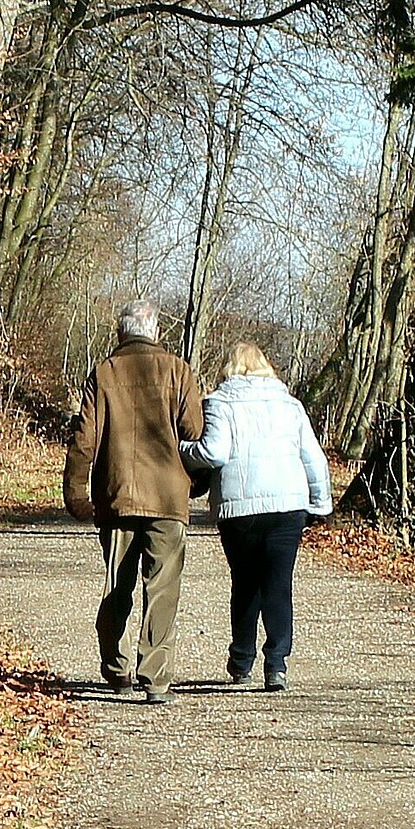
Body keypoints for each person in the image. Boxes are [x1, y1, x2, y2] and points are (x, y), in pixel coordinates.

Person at [63, 300, 203, 706]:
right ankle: (156, 678)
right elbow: (194, 429)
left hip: (117, 495)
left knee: (117, 585)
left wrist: (76, 495)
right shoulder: (178, 370)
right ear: (155, 331)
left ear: (121, 331)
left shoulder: (104, 372)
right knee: (161, 588)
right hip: (167, 497)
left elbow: (83, 439)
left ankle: (115, 667)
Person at [181, 342, 332, 693]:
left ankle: (241, 660)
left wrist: (181, 449)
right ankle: (276, 664)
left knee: (245, 583)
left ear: (230, 369)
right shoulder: (290, 405)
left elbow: (213, 453)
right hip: (288, 506)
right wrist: (321, 506)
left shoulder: (218, 403)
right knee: (279, 585)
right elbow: (314, 459)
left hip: (240, 509)